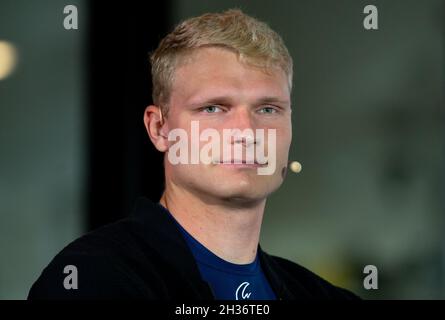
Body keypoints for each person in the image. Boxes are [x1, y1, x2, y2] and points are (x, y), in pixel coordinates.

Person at [28, 9, 359, 300]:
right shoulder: (90, 279)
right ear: (159, 129)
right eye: (213, 108)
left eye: (268, 108)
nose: (246, 132)